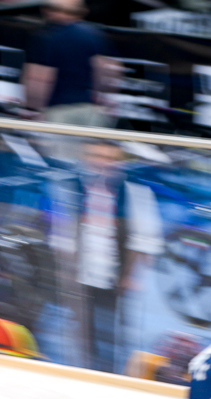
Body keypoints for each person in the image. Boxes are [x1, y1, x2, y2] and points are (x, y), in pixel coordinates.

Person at [51, 139, 162, 372]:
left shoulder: (136, 192)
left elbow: (146, 239)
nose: (101, 163)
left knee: (115, 331)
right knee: (79, 328)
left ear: (119, 163)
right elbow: (61, 233)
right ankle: (79, 370)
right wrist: (65, 271)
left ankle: (111, 374)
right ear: (84, 158)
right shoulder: (70, 187)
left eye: (108, 158)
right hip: (81, 272)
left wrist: (131, 276)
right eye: (95, 155)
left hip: (117, 275)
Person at [23, 0, 117, 134]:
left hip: (57, 113)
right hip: (91, 111)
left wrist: (33, 110)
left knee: (59, 156)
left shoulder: (46, 37)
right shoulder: (94, 35)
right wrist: (103, 102)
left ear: (48, 11)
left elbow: (40, 78)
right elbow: (109, 70)